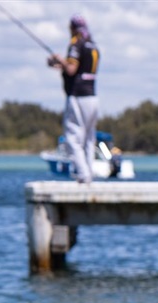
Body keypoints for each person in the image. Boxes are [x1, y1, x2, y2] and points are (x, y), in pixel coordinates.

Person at [48, 14, 99, 184]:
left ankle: (83, 174)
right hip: (92, 96)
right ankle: (89, 172)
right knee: (89, 138)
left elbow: (71, 69)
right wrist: (58, 64)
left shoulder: (76, 43)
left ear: (72, 28)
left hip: (78, 96)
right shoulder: (92, 46)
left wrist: (59, 60)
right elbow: (77, 70)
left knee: (72, 137)